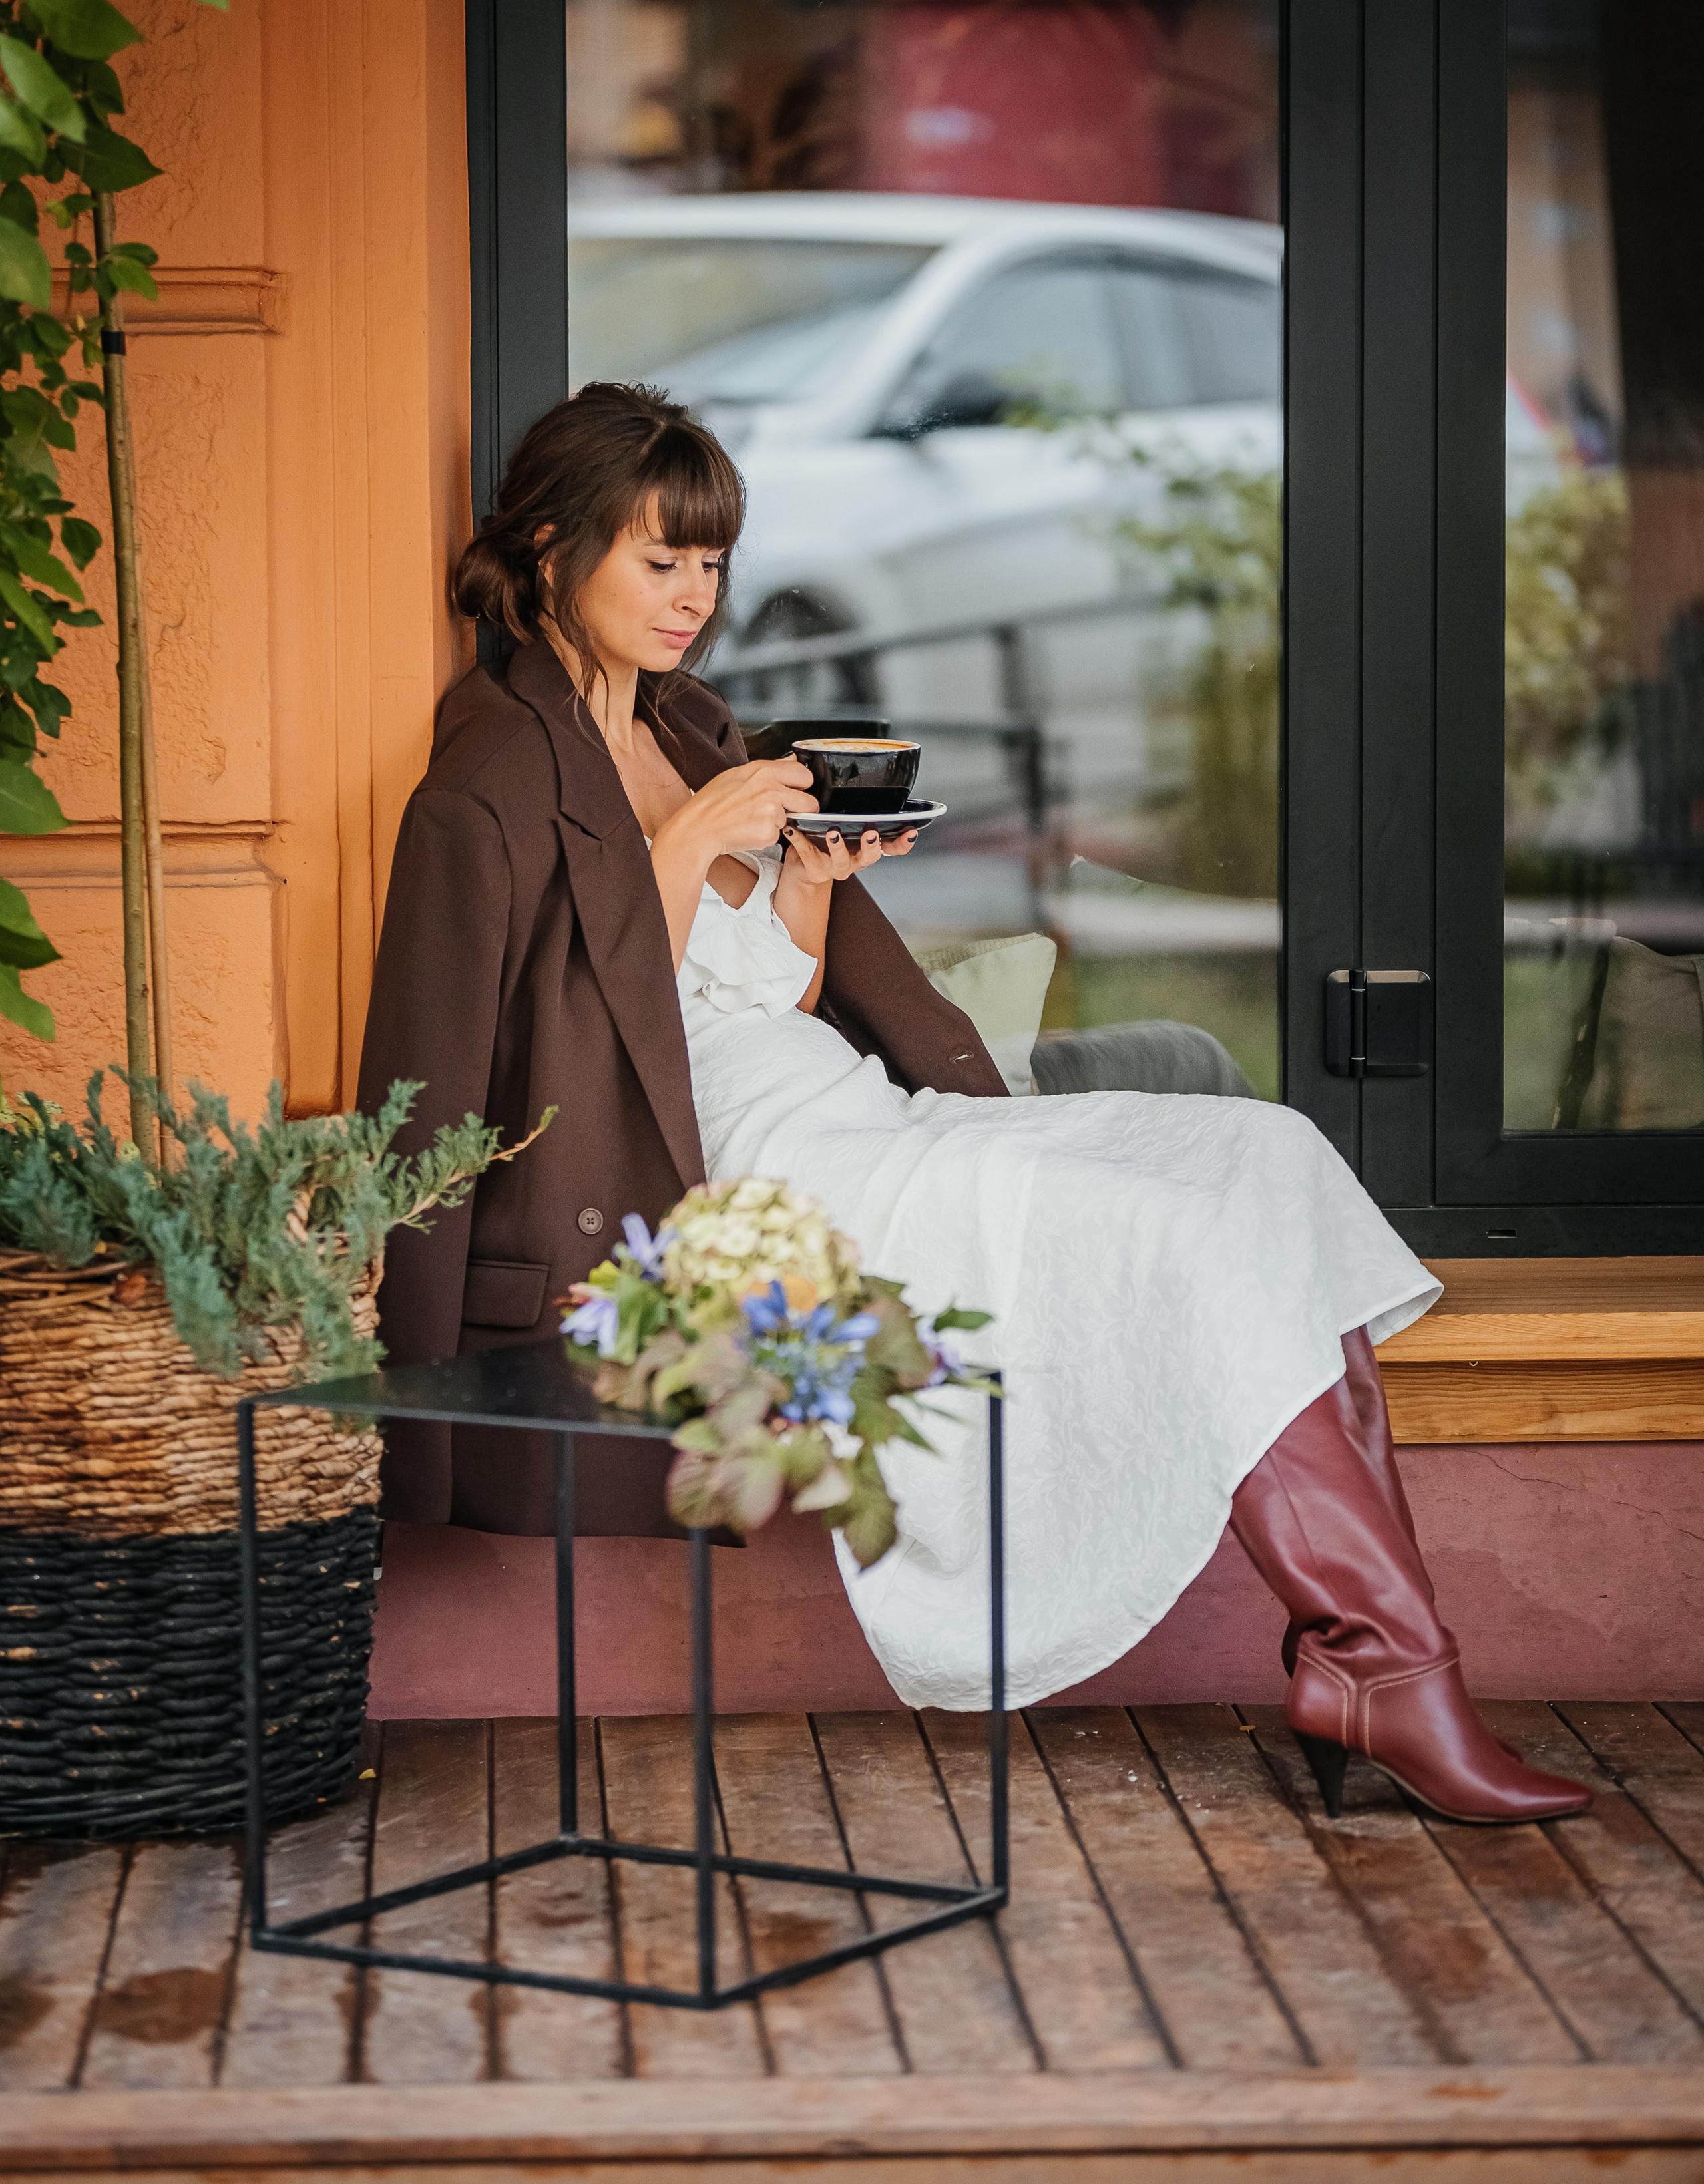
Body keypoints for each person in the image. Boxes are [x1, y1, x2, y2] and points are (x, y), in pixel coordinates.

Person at [360, 383, 1589, 1827]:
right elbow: (510, 1059)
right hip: (733, 1180)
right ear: (555, 548)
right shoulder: (486, 776)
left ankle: (1370, 1666)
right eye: (658, 560)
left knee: (1264, 1155)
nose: (694, 595)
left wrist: (811, 884)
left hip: (855, 1112)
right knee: (1169, 1235)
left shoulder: (692, 726)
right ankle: (1392, 1673)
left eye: (710, 562)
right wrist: (686, 846)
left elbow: (766, 997)